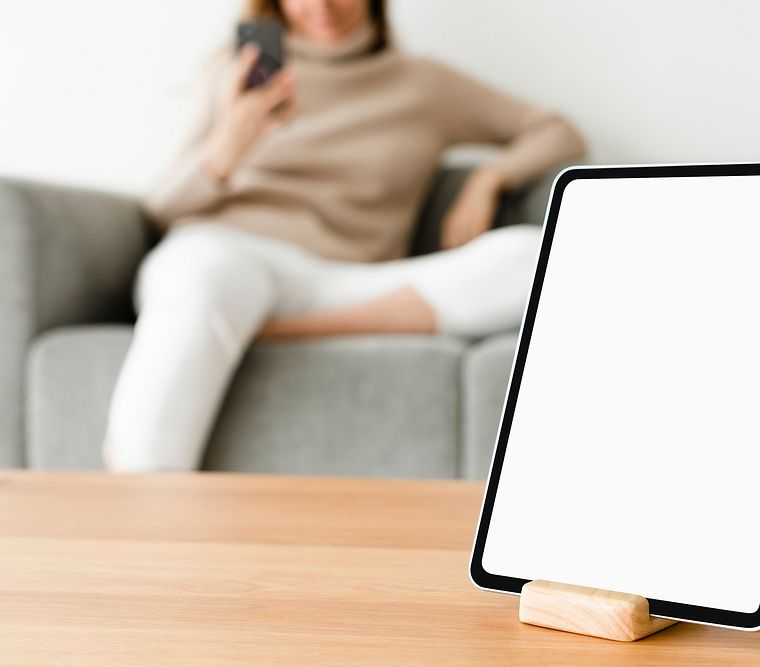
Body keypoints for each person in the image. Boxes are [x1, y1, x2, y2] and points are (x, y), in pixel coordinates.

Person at [102, 0, 586, 472]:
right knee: (205, 276)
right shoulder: (237, 71)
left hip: (343, 284)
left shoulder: (425, 84)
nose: (323, 7)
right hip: (230, 255)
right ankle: (142, 495)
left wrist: (490, 178)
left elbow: (556, 130)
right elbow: (159, 210)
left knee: (533, 258)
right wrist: (228, 143)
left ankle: (266, 331)